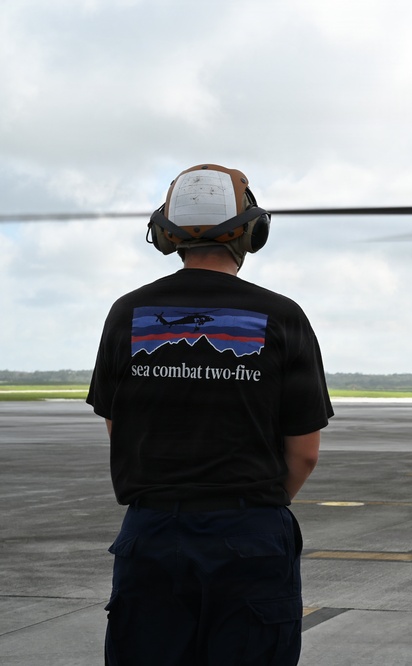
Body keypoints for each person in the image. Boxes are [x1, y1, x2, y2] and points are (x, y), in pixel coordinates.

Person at [87, 164, 334, 665]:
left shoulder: (126, 313)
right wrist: (251, 508)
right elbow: (304, 454)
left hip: (152, 535)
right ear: (252, 232)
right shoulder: (283, 316)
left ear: (164, 233)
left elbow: (119, 427)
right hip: (251, 535)